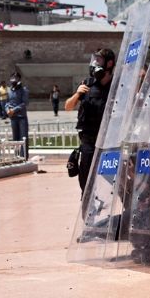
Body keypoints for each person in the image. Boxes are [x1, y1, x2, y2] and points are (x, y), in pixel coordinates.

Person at [65, 48, 116, 196]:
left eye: (98, 60)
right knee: (85, 181)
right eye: (94, 59)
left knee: (114, 180)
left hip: (108, 142)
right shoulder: (87, 84)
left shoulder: (116, 85)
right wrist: (78, 93)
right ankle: (86, 212)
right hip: (88, 141)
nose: (94, 63)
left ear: (109, 63)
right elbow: (68, 106)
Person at [4, 72, 29, 159]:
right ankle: (16, 156)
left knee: (23, 137)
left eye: (15, 78)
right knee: (15, 138)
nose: (13, 80)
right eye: (12, 78)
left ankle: (24, 156)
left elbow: (24, 103)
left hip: (21, 117)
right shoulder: (9, 90)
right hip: (13, 118)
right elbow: (6, 102)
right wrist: (7, 110)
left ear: (19, 79)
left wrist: (13, 110)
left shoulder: (24, 90)